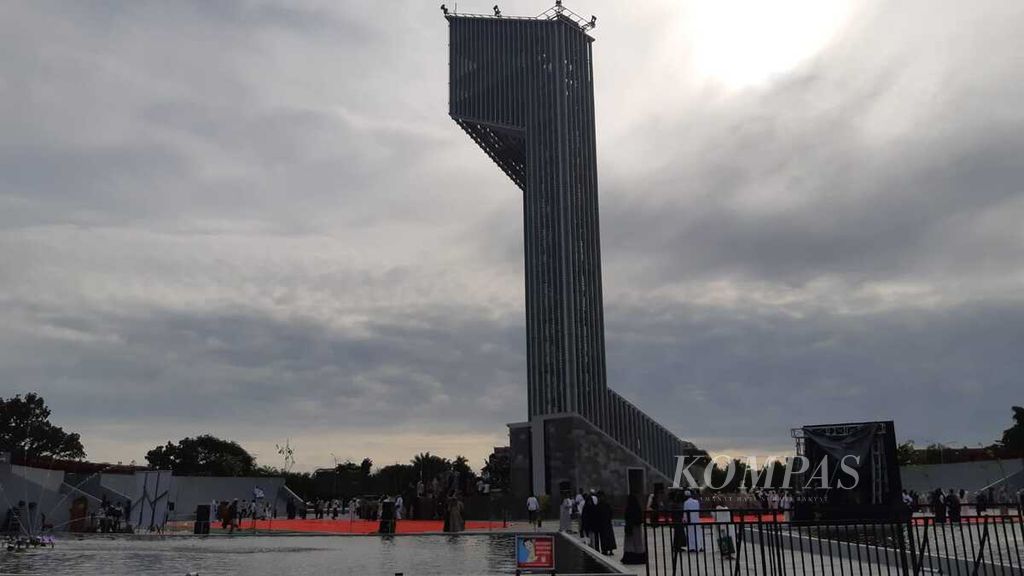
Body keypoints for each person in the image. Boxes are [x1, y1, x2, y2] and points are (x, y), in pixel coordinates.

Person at [621, 494, 647, 564]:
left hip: (630, 528)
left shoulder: (628, 508)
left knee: (630, 543)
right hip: (637, 528)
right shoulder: (637, 508)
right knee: (638, 542)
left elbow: (626, 517)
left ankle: (630, 558)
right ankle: (639, 557)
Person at [595, 491, 616, 556]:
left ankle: (610, 550)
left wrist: (609, 519)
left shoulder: (606, 504)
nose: (599, 498)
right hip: (602, 524)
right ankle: (605, 550)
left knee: (608, 537)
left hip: (607, 523)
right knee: (604, 537)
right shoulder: (599, 505)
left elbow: (610, 513)